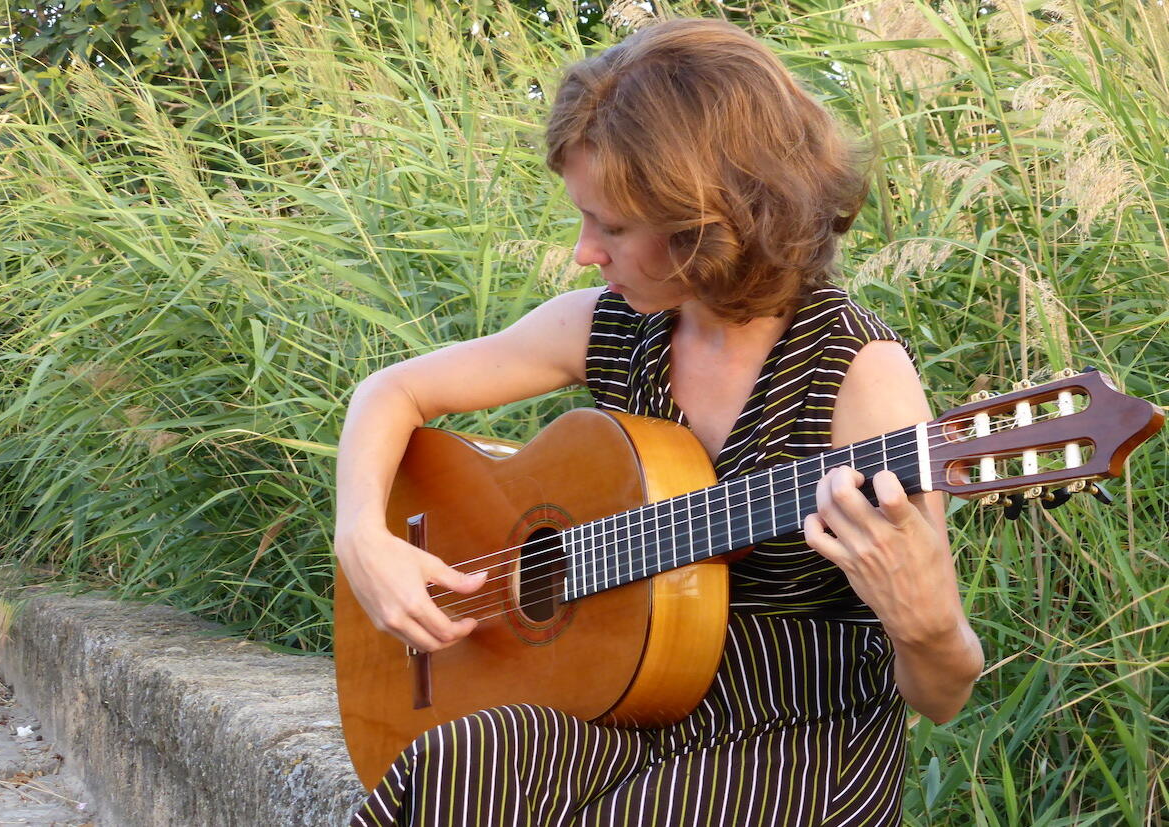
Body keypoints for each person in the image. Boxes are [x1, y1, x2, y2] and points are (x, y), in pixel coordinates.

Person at [335, 18, 983, 826]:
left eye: (609, 225)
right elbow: (390, 391)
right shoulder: (611, 326)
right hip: (633, 711)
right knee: (459, 763)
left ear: (710, 219)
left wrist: (927, 630)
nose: (583, 252)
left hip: (795, 743)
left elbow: (944, 692)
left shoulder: (857, 376)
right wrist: (362, 532)